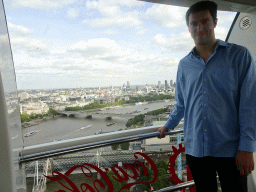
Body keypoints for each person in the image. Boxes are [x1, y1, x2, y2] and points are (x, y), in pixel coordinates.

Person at [158, 1, 256, 191]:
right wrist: (167, 126)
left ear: (215, 22)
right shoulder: (184, 65)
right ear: (188, 28)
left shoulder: (239, 56)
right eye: (194, 24)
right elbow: (181, 104)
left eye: (205, 21)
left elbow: (249, 105)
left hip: (231, 149)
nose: (199, 28)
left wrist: (247, 147)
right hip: (196, 150)